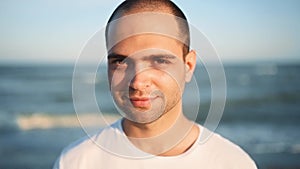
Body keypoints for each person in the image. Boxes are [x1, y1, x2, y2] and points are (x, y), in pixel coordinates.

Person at [54, 0, 257, 168]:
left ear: (188, 66)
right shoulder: (75, 162)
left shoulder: (233, 163)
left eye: (159, 61)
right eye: (120, 61)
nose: (138, 82)